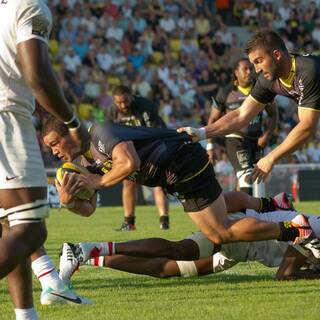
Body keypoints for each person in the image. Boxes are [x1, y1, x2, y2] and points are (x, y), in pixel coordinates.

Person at [42, 118, 314, 260]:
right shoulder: (80, 164)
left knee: (219, 232)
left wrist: (97, 182)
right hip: (176, 170)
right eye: (50, 148)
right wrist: (68, 202)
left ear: (70, 133)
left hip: (181, 162)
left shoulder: (100, 133)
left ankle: (293, 229)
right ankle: (271, 205)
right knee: (219, 203)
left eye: (55, 143)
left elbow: (129, 162)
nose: (54, 152)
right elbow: (88, 209)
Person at [0, 1, 90, 318]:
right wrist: (74, 124)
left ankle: (26, 314)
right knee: (32, 231)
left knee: (12, 227)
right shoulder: (30, 6)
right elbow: (35, 73)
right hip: (6, 118)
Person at [178, 30, 320, 183]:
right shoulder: (267, 79)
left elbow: (307, 126)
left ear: (277, 55)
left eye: (259, 61)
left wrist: (271, 158)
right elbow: (241, 115)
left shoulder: (308, 70)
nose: (256, 69)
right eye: (253, 63)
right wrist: (200, 134)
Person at [60, 208, 320, 282]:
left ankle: (90, 257)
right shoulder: (316, 229)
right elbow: (286, 273)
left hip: (243, 252)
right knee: (181, 250)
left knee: (167, 270)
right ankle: (89, 248)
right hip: (238, 232)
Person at [207, 58, 278, 195]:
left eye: (250, 69)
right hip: (236, 139)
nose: (249, 72)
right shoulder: (225, 92)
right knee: (246, 176)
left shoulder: (261, 88)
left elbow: (274, 114)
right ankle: (248, 213)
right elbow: (213, 120)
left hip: (257, 140)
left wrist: (266, 136)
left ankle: (237, 209)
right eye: (244, 69)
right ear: (236, 72)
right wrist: (210, 147)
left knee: (257, 178)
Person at [105, 85, 169, 230]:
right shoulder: (111, 112)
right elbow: (110, 135)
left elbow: (155, 133)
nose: (123, 105)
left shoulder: (146, 106)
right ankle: (129, 222)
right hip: (130, 149)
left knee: (158, 182)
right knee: (128, 183)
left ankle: (164, 221)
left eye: (125, 101)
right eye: (119, 102)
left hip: (154, 144)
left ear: (131, 96)